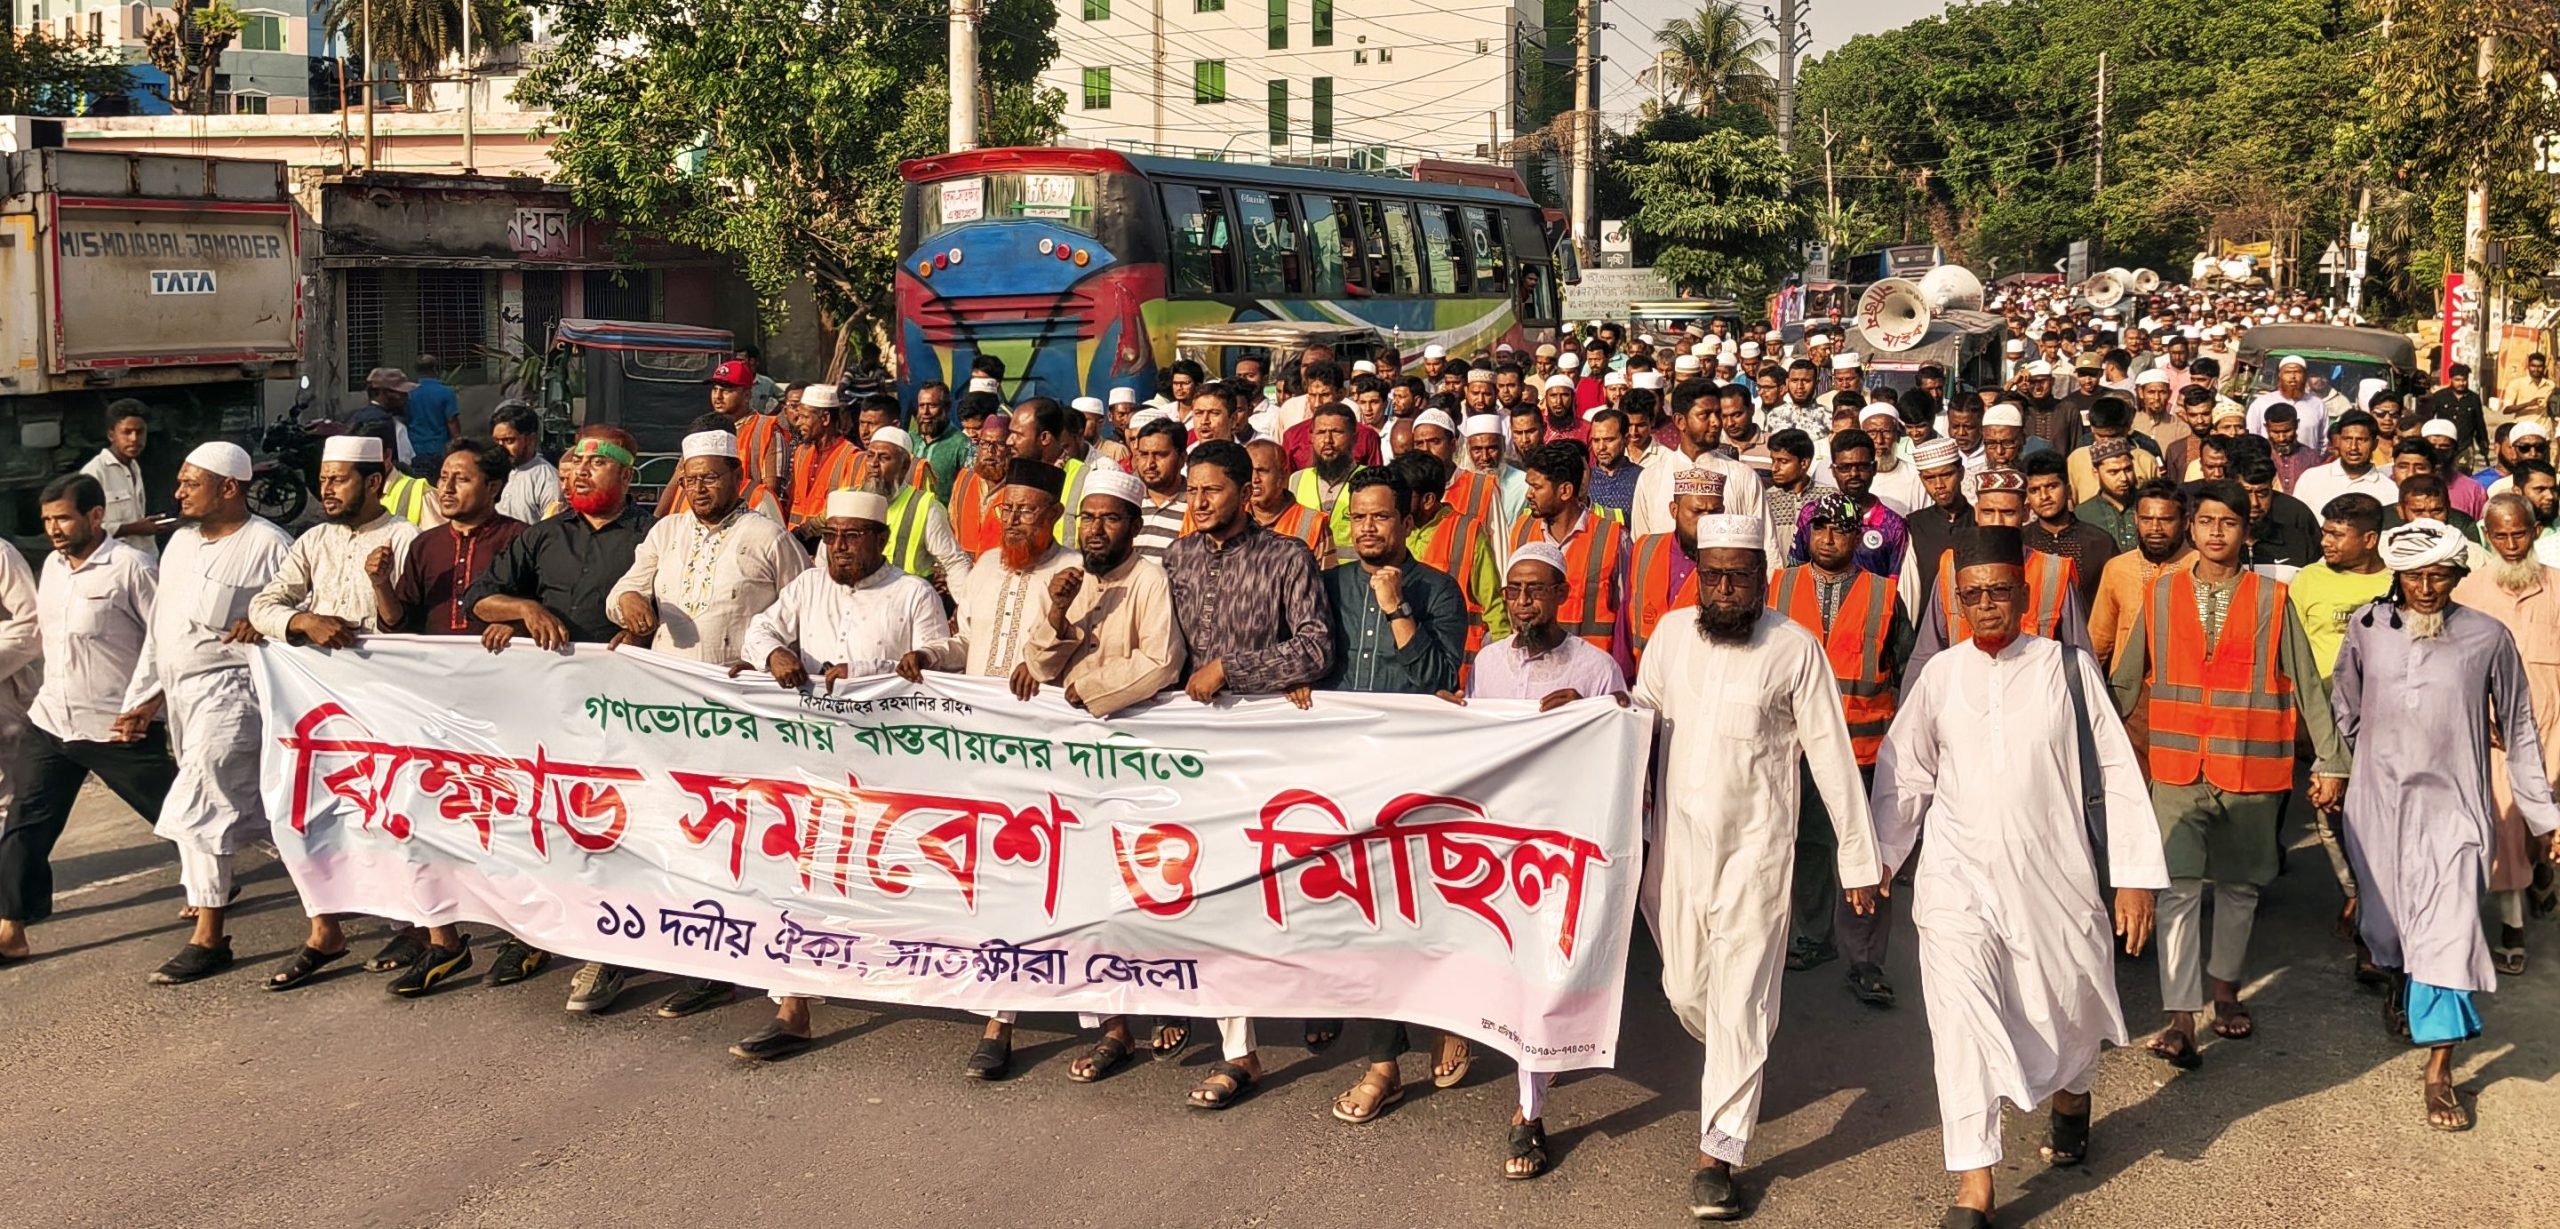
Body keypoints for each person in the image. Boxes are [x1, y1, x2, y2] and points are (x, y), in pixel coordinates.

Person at [1871, 525, 2169, 1229]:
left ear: (2024, 593)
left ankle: (2071, 1092)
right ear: (1957, 600)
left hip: (2054, 879)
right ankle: (1974, 1181)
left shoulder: (2066, 668)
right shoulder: (1941, 676)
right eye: (1971, 595)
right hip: (1956, 880)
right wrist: (1881, 852)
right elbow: (1904, 771)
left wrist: (2132, 876)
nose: (1985, 606)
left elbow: (2120, 778)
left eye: (1998, 591)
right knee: (1960, 1022)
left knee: (2065, 1004)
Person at [1633, 511, 1882, 1222]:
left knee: (1739, 1001)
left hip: (1757, 854)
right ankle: (1740, 1049)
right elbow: (1641, 713)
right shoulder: (1673, 638)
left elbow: (1833, 756)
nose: (1722, 590)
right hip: (1676, 850)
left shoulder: (1793, 649)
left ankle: (1720, 1150)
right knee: (1686, 990)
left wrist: (1858, 861)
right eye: (1711, 576)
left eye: (1736, 578)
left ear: (1761, 579)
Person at [2110, 480, 2349, 1067]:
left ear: (2247, 532)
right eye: (2207, 521)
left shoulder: (2272, 599)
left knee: (2240, 890)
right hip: (2175, 766)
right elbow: (2122, 680)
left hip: (2251, 767)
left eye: (2230, 523)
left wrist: (2332, 759)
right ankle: (2181, 1016)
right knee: (2180, 892)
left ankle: (2225, 992)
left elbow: (2306, 684)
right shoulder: (2162, 595)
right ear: (2192, 528)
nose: (2217, 532)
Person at [2333, 518, 2560, 1130]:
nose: (2426, 588)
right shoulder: (2367, 627)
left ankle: (2440, 1069)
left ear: (2459, 576)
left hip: (2455, 809)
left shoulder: (2488, 636)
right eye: (2414, 576)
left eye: (2439, 575)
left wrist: (2543, 816)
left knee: (2452, 927)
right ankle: (2400, 979)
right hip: (2378, 806)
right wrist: (2356, 763)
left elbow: (2517, 728)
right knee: (2391, 924)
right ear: (2397, 576)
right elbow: (2345, 704)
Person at [727, 490, 955, 1062]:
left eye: (852, 537)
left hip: (893, 763)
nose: (838, 547)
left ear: (879, 539)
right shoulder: (808, 585)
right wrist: (774, 657)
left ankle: (922, 979)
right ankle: (792, 1008)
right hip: (817, 759)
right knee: (803, 874)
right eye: (831, 536)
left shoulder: (912, 592)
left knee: (893, 884)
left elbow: (940, 661)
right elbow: (760, 631)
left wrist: (873, 673)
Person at [1162, 438, 1335, 1111]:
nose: (1199, 502)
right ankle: (1240, 1050)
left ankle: (1320, 990)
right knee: (1210, 892)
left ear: (1245, 489)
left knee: (1290, 888)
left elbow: (1316, 645)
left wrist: (1234, 670)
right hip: (1196, 755)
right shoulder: (1174, 559)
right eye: (1192, 491)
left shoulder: (1286, 555)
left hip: (1271, 752)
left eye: (1211, 490)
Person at [466, 427, 655, 1012]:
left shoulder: (653, 537)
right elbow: (482, 598)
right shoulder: (543, 535)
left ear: (626, 476)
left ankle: (612, 950)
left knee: (619, 830)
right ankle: (540, 934)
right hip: (547, 713)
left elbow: (671, 607)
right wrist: (522, 610)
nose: (578, 471)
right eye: (574, 460)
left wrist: (642, 626)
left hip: (627, 712)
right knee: (546, 824)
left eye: (596, 464)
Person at [1458, 542, 1630, 1180]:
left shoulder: (1595, 666)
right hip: (1498, 846)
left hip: (1562, 850)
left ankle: (1527, 1112)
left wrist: (1586, 712)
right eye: (1513, 591)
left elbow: (1622, 739)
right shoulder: (1489, 662)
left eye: (1536, 590)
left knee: (1545, 973)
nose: (1523, 602)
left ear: (1562, 595)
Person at [109, 442, 292, 984]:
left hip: (236, 693)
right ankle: (335, 889)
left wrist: (268, 623)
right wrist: (143, 700)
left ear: (229, 488)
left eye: (191, 483)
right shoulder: (180, 546)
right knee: (254, 814)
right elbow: (161, 634)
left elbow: (298, 613)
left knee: (201, 801)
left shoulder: (268, 544)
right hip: (182, 693)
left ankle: (208, 935)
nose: (179, 492)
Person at [244, 435, 422, 989]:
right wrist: (304, 624)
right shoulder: (313, 540)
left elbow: (415, 624)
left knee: (392, 811)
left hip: (387, 705)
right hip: (318, 707)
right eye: (323, 479)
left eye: (339, 479)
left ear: (374, 482)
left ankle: (415, 922)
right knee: (303, 813)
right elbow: (264, 604)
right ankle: (325, 928)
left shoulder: (408, 539)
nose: (326, 489)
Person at [1321, 467, 1469, 1129]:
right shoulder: (1328, 586)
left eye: (1381, 517)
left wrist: (1394, 606)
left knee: (1427, 912)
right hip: (1346, 777)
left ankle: (1447, 1016)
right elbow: (1312, 656)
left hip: (1420, 777)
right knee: (1366, 917)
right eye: (1359, 518)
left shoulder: (1437, 588)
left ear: (1409, 522)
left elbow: (1439, 676)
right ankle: (1384, 1059)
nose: (1368, 529)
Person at [367, 437, 536, 992]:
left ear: (493, 487)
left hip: (504, 707)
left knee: (506, 821)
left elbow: (542, 618)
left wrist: (511, 624)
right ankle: (445, 941)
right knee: (431, 816)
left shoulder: (520, 540)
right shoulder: (426, 546)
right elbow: (400, 627)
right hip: (435, 708)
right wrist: (378, 584)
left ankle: (522, 936)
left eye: (461, 478)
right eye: (443, 476)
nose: (445, 487)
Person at [0, 474, 173, 970]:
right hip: (52, 720)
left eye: (63, 518)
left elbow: (163, 640)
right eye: (48, 520)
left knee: (172, 811)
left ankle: (213, 884)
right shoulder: (52, 568)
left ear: (96, 516)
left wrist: (145, 703)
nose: (54, 529)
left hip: (115, 724)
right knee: (25, 823)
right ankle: (11, 927)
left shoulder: (132, 568)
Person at [1772, 493, 1915, 1009]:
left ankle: (1866, 960)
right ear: (1806, 534)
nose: (1829, 538)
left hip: (1865, 748)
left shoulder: (1884, 594)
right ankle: (1815, 937)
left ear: (1858, 537)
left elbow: (1903, 670)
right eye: (1821, 529)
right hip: (1799, 748)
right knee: (1809, 843)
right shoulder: (1778, 588)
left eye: (1841, 530)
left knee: (1866, 852)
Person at [2450, 493, 2560, 975]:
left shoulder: (2558, 587)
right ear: (2487, 537)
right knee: (2506, 822)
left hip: (2553, 724)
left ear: (2535, 531)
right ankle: (2512, 924)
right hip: (2493, 728)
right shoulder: (2468, 592)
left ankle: (2543, 869)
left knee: (2546, 821)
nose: (2512, 543)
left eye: (2520, 533)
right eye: (2501, 535)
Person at [610, 430, 812, 672]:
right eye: (690, 480)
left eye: (709, 478)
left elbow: (806, 611)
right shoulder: (667, 531)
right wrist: (628, 598)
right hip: (666, 682)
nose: (698, 489)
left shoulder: (769, 537)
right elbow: (622, 591)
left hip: (736, 687)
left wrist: (764, 658)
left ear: (737, 476)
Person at [1910, 468, 2090, 683]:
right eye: (1988, 512)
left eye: (2008, 513)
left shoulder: (2053, 573)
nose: (1997, 522)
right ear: (1976, 512)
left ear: (2025, 513)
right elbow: (1926, 651)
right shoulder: (1951, 566)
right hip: (1964, 697)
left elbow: (2080, 657)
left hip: (2034, 698)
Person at [1509, 441, 1632, 671]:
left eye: (1536, 487)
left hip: (1591, 673)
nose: (1528, 494)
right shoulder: (1521, 530)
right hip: (1532, 668)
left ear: (1565, 491)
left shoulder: (1613, 538)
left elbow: (1626, 614)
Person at [1397, 449, 1506, 675]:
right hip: (1400, 668)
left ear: (1428, 500)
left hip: (1455, 670)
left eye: (1403, 496)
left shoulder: (1468, 534)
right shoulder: (1391, 529)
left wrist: (1505, 665)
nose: (1395, 501)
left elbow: (1493, 606)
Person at [2089, 479, 2197, 668]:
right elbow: (2098, 641)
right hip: (2128, 690)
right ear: (2136, 520)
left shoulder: (2201, 567)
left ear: (2185, 522)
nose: (2155, 529)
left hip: (2184, 684)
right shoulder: (2117, 568)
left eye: (2166, 520)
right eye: (2147, 520)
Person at [1632, 382, 1761, 538]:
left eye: (1717, 414)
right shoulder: (1651, 478)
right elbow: (1643, 545)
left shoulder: (1743, 476)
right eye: (1705, 415)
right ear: (1680, 421)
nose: (1716, 422)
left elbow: (1766, 545)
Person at [2288, 493, 2394, 679]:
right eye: (2325, 533)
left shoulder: (2398, 584)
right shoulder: (2308, 579)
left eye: (2337, 535)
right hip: (2321, 701)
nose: (2325, 542)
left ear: (2370, 540)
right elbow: (2291, 648)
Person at [854, 426, 974, 588]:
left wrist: (964, 606)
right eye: (870, 456)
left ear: (904, 466)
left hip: (906, 604)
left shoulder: (925, 507)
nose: (874, 464)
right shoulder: (850, 500)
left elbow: (954, 562)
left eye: (884, 458)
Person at [2020, 450, 2117, 609]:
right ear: (2027, 497)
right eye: (2035, 490)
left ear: (2069, 490)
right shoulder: (2021, 542)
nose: (2044, 496)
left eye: (2052, 486)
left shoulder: (2099, 542)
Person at [81, 400, 165, 559]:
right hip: (112, 562)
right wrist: (135, 528)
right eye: (127, 432)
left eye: (140, 432)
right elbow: (86, 527)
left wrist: (150, 525)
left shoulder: (134, 466)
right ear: (111, 435)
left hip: (144, 557)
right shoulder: (95, 472)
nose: (134, 438)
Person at [783, 384, 862, 537]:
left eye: (805, 417)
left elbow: (847, 511)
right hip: (796, 547)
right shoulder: (801, 453)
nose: (799, 423)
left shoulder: (853, 458)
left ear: (825, 419)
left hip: (826, 548)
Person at [2292, 409, 2398, 516]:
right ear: (2338, 441)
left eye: (2361, 440)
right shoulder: (2310, 479)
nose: (2353, 447)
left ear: (2375, 444)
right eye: (2347, 439)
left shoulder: (2389, 491)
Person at [1905, 437, 1971, 598]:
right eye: (1930, 478)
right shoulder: (1913, 526)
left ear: (1961, 473)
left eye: (1946, 475)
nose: (1939, 484)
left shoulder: (1982, 521)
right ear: (1921, 479)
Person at [1127, 416, 1191, 562]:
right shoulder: (1128, 502)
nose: (1150, 464)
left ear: (1182, 458)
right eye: (1143, 454)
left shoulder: (1196, 505)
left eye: (1160, 455)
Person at [489, 401, 563, 524]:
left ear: (530, 439)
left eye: (508, 440)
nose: (500, 448)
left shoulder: (547, 480)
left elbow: (552, 530)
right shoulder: (489, 472)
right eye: (496, 441)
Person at [2075, 437, 2143, 550]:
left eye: (2128, 469)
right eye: (2113, 472)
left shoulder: (2148, 505)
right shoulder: (2083, 514)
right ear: (2096, 473)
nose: (2124, 478)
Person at [1586, 407, 1644, 516]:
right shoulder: (1584, 479)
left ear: (1626, 439)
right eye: (1596, 440)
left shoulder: (1642, 477)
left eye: (1609, 440)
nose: (1601, 447)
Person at [406, 355, 460, 473]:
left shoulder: (409, 393)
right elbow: (452, 421)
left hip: (414, 447)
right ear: (435, 369)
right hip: (439, 447)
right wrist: (458, 443)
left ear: (417, 371)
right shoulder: (446, 392)